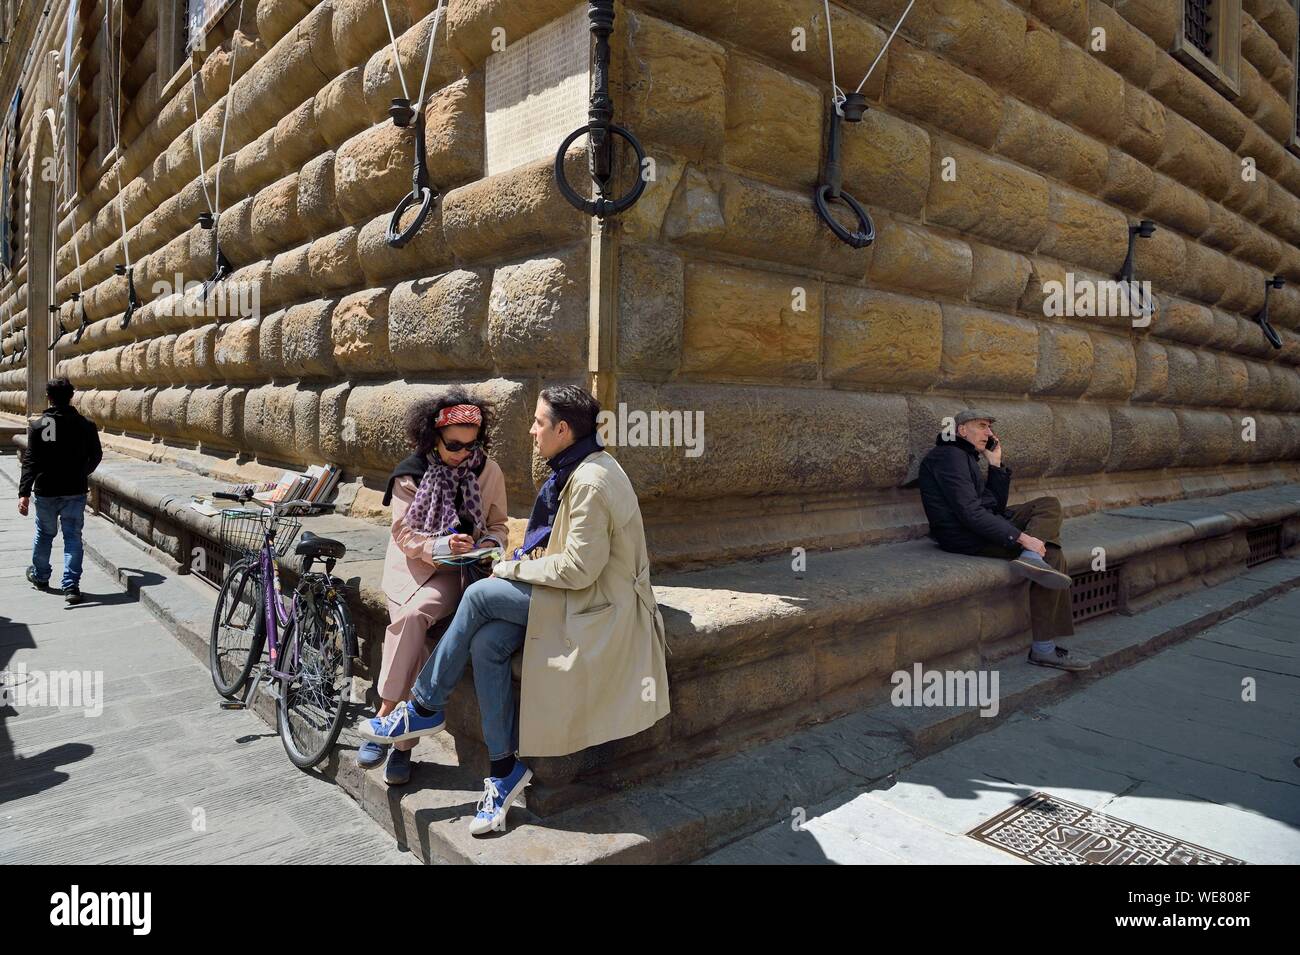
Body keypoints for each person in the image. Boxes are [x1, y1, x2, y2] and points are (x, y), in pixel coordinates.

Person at [358, 384, 671, 835]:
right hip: (564, 592)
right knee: (487, 643)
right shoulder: (576, 467)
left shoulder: (590, 481)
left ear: (563, 430)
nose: (531, 431)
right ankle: (504, 770)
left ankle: (425, 704)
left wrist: (507, 568)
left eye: (539, 422)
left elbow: (581, 569)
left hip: (596, 605)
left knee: (481, 595)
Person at [365, 393, 509, 786]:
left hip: (459, 573)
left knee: (416, 617)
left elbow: (499, 528)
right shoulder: (410, 473)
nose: (464, 453)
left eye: (472, 444)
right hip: (411, 568)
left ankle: (384, 718)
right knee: (419, 637)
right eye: (455, 445)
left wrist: (483, 546)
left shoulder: (489, 471)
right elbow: (403, 533)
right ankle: (400, 745)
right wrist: (442, 545)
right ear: (433, 438)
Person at [917, 410, 1089, 672]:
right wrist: (1021, 538)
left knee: (1047, 505)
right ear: (962, 430)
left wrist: (995, 465)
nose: (989, 433)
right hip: (964, 535)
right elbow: (970, 513)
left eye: (989, 428)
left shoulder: (966, 456)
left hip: (978, 523)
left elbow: (993, 506)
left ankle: (1033, 560)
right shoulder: (948, 457)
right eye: (982, 426)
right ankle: (1044, 650)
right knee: (1052, 554)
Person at [18, 378, 102, 605]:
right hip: (75, 489)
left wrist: (24, 492)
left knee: (44, 534)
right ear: (72, 396)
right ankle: (71, 585)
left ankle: (41, 576)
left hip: (46, 490)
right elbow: (96, 456)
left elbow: (31, 461)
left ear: (49, 397)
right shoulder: (86, 425)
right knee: (73, 537)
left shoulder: (38, 426)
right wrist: (82, 473)